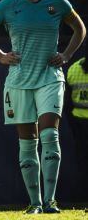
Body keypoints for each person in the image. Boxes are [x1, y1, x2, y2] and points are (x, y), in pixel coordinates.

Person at [0, 0, 86, 214]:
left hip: (49, 78)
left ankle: (50, 202)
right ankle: (34, 203)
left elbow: (79, 28)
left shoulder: (57, 3)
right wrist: (0, 55)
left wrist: (67, 54)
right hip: (19, 81)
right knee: (27, 142)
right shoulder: (10, 3)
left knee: (49, 135)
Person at [66, 49, 88, 202]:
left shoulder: (73, 69)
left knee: (83, 162)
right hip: (80, 126)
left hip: (80, 125)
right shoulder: (73, 70)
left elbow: (66, 104)